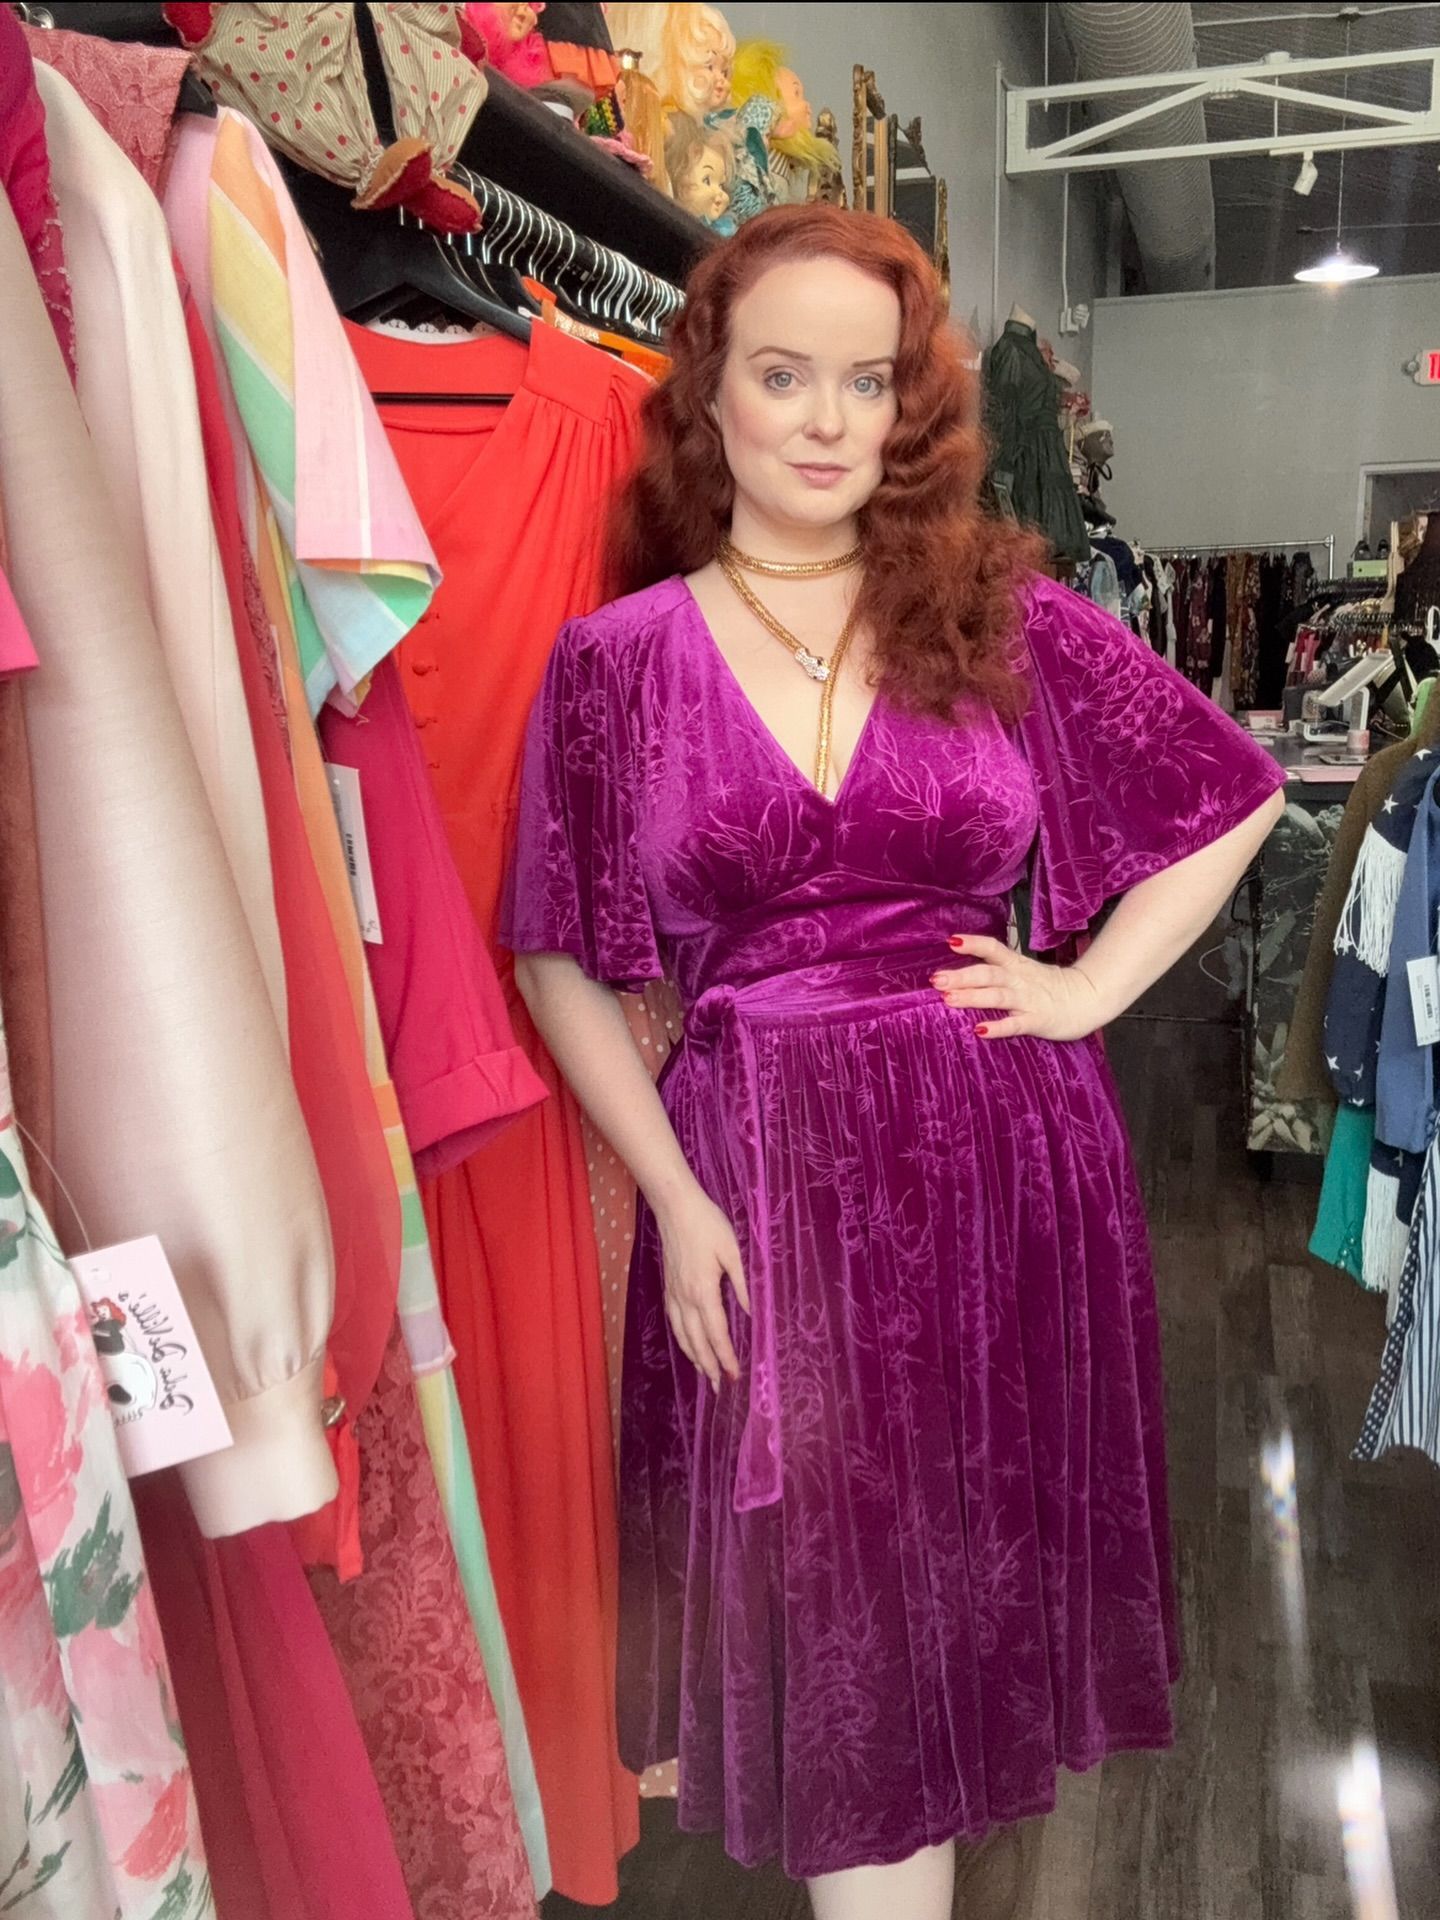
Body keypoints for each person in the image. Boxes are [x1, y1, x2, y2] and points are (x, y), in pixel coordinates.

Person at [502, 204, 1285, 1919]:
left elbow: (1232, 795)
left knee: (952, 1582)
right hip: (757, 1176)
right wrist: (674, 1193)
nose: (826, 419)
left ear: (907, 412)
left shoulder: (993, 614)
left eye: (867, 383)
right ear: (707, 394)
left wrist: (1087, 996)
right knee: (835, 1625)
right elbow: (557, 948)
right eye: (783, 374)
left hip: (999, 1163)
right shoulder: (615, 664)